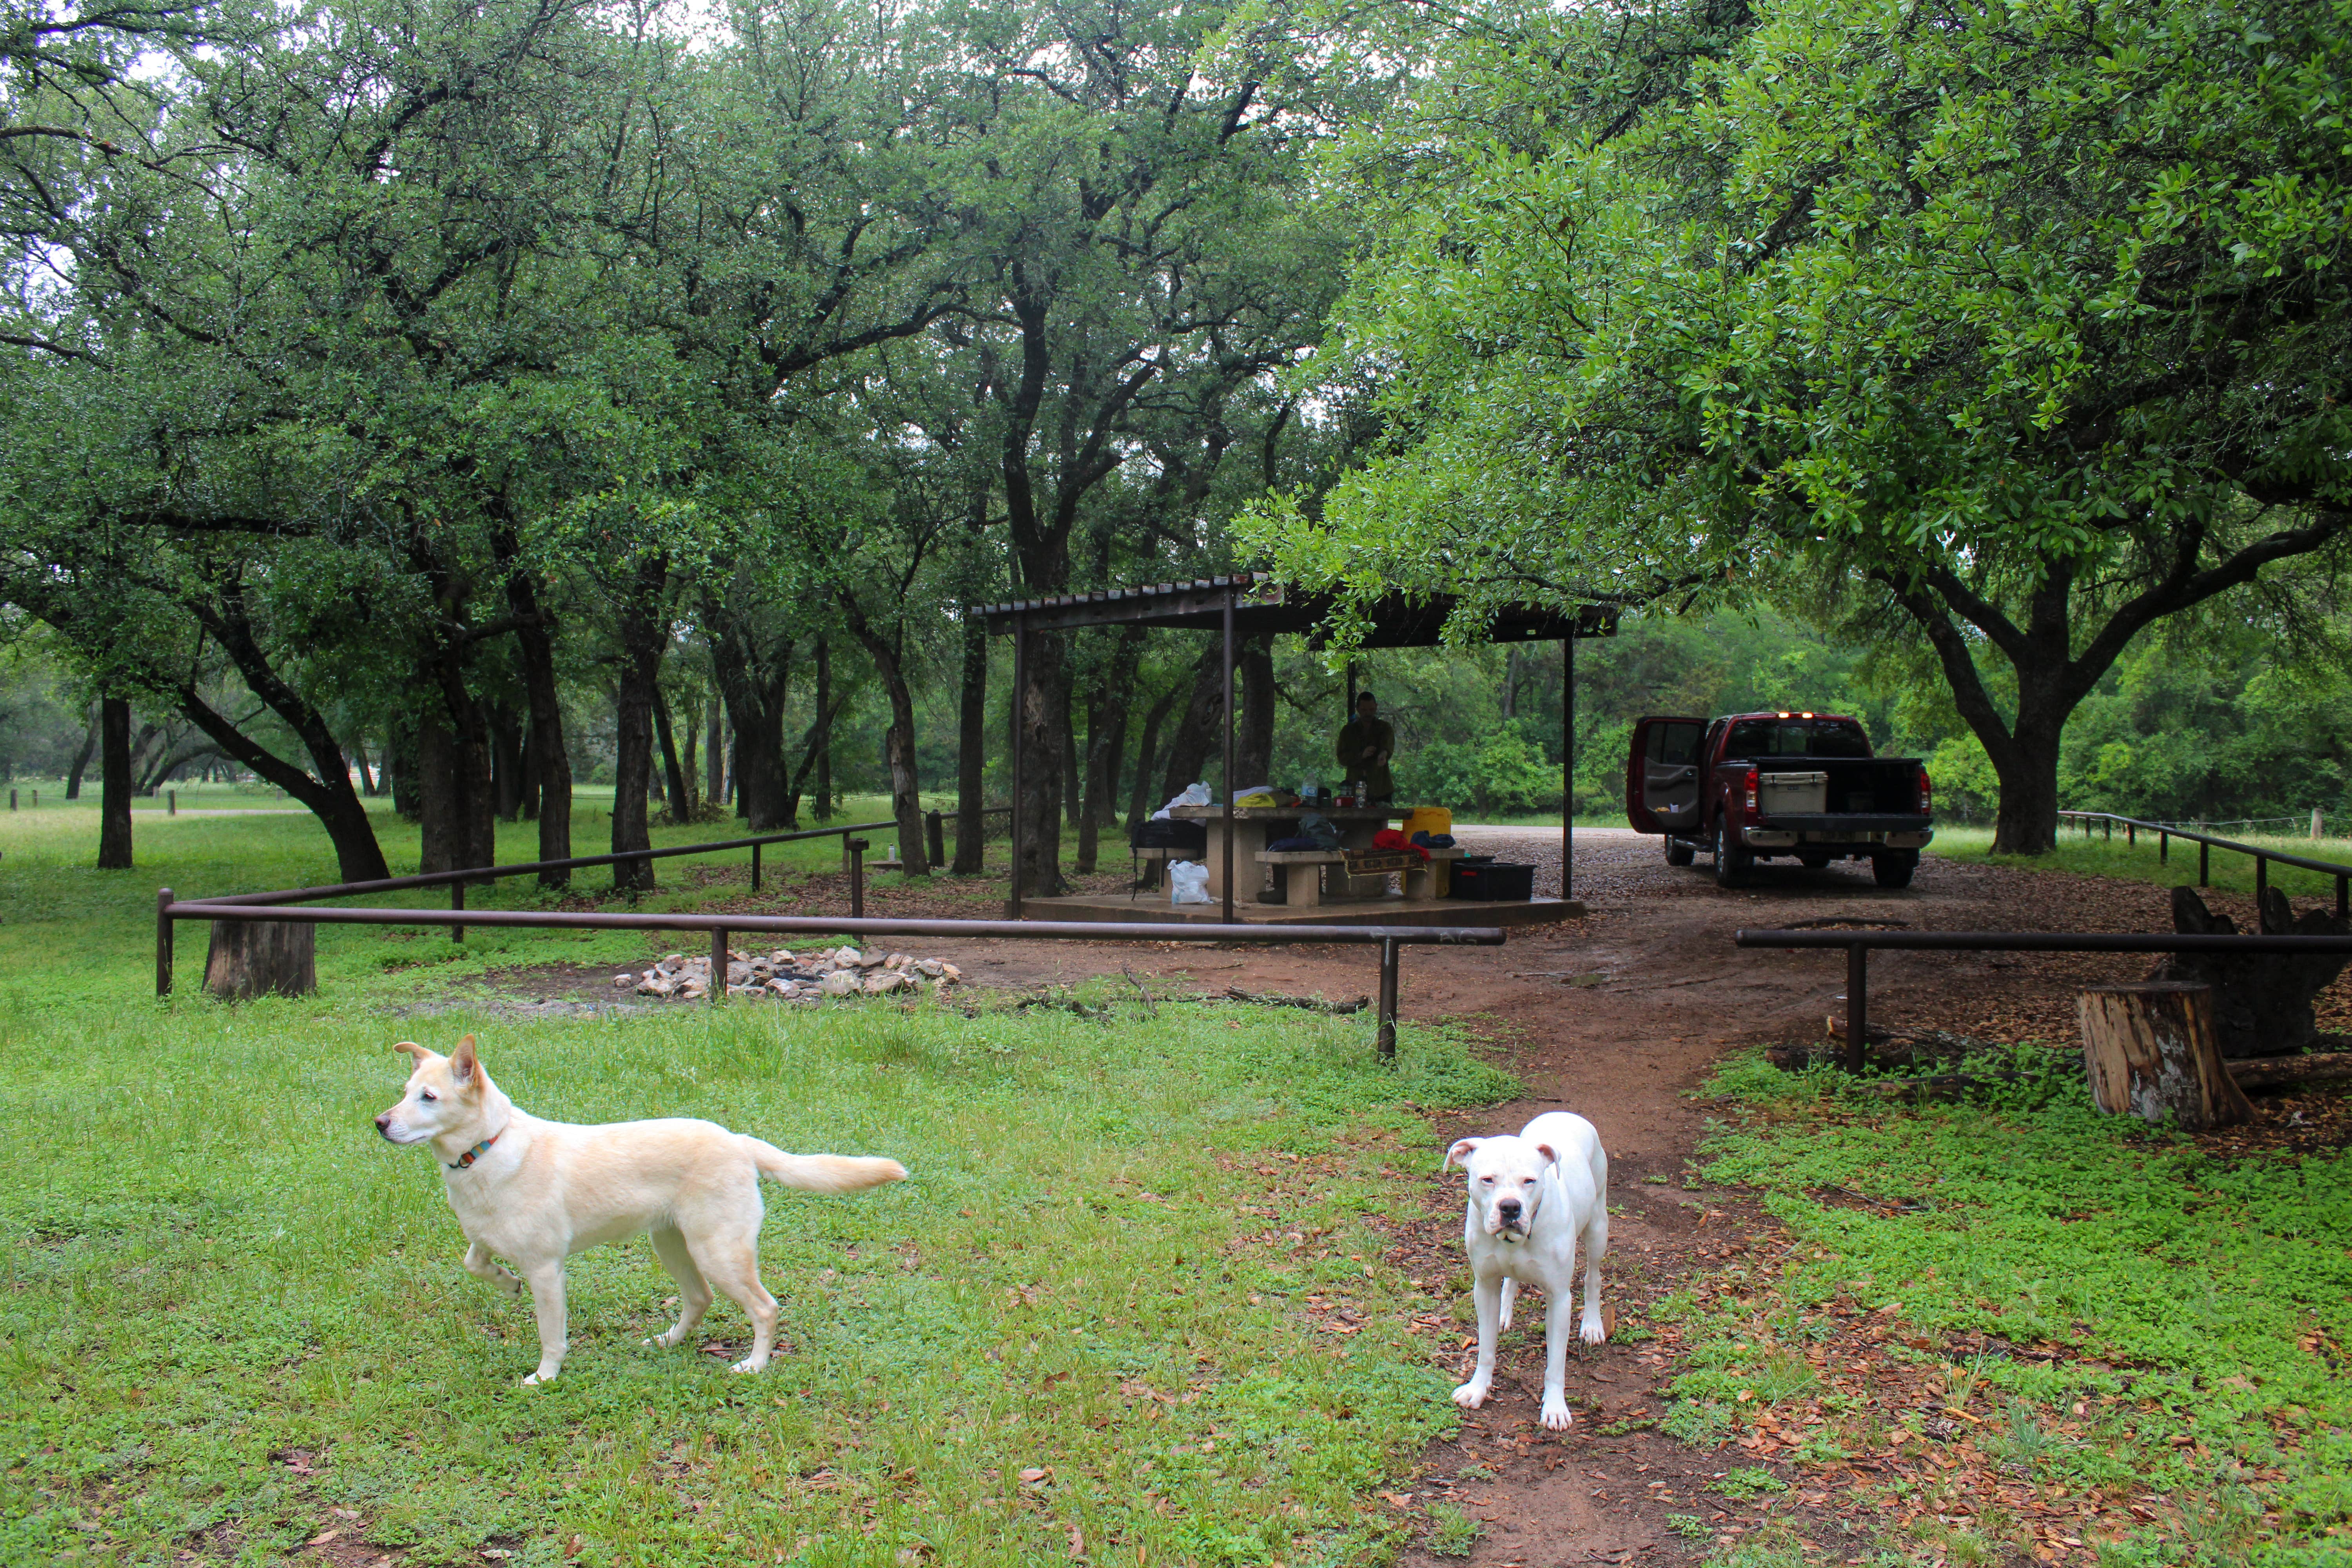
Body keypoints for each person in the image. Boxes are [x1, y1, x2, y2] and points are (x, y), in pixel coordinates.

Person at [1335, 691, 1397, 803]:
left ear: (1376, 707)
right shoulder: (1348, 731)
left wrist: (1383, 755)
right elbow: (1342, 757)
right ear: (1357, 709)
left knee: (1382, 818)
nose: (1368, 713)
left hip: (1381, 786)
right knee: (1357, 820)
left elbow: (1388, 747)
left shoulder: (1385, 728)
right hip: (1355, 786)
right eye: (1364, 710)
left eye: (1371, 710)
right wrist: (1361, 756)